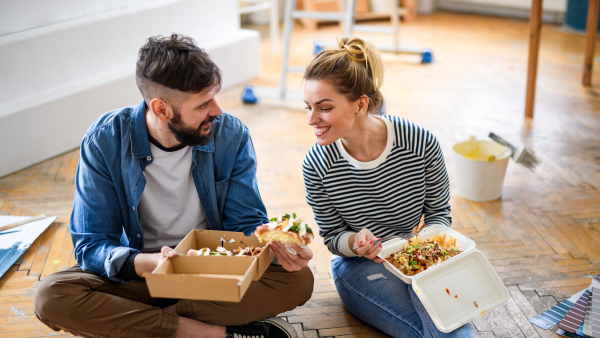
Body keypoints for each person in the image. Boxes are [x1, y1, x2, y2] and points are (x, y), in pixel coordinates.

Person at [34, 34, 314, 338]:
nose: (217, 110)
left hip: (213, 274)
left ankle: (144, 326)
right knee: (52, 296)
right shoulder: (104, 140)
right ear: (161, 109)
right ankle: (215, 334)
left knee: (298, 280)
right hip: (143, 275)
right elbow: (92, 243)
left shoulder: (231, 134)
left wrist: (275, 244)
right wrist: (147, 263)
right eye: (204, 104)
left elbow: (246, 222)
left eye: (215, 97)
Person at [301, 37, 474, 338]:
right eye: (308, 107)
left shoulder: (420, 143)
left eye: (324, 107)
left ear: (361, 105)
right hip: (360, 269)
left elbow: (438, 215)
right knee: (438, 328)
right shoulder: (317, 165)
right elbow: (332, 237)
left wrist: (425, 256)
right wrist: (355, 242)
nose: (311, 119)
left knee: (448, 324)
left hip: (417, 254)